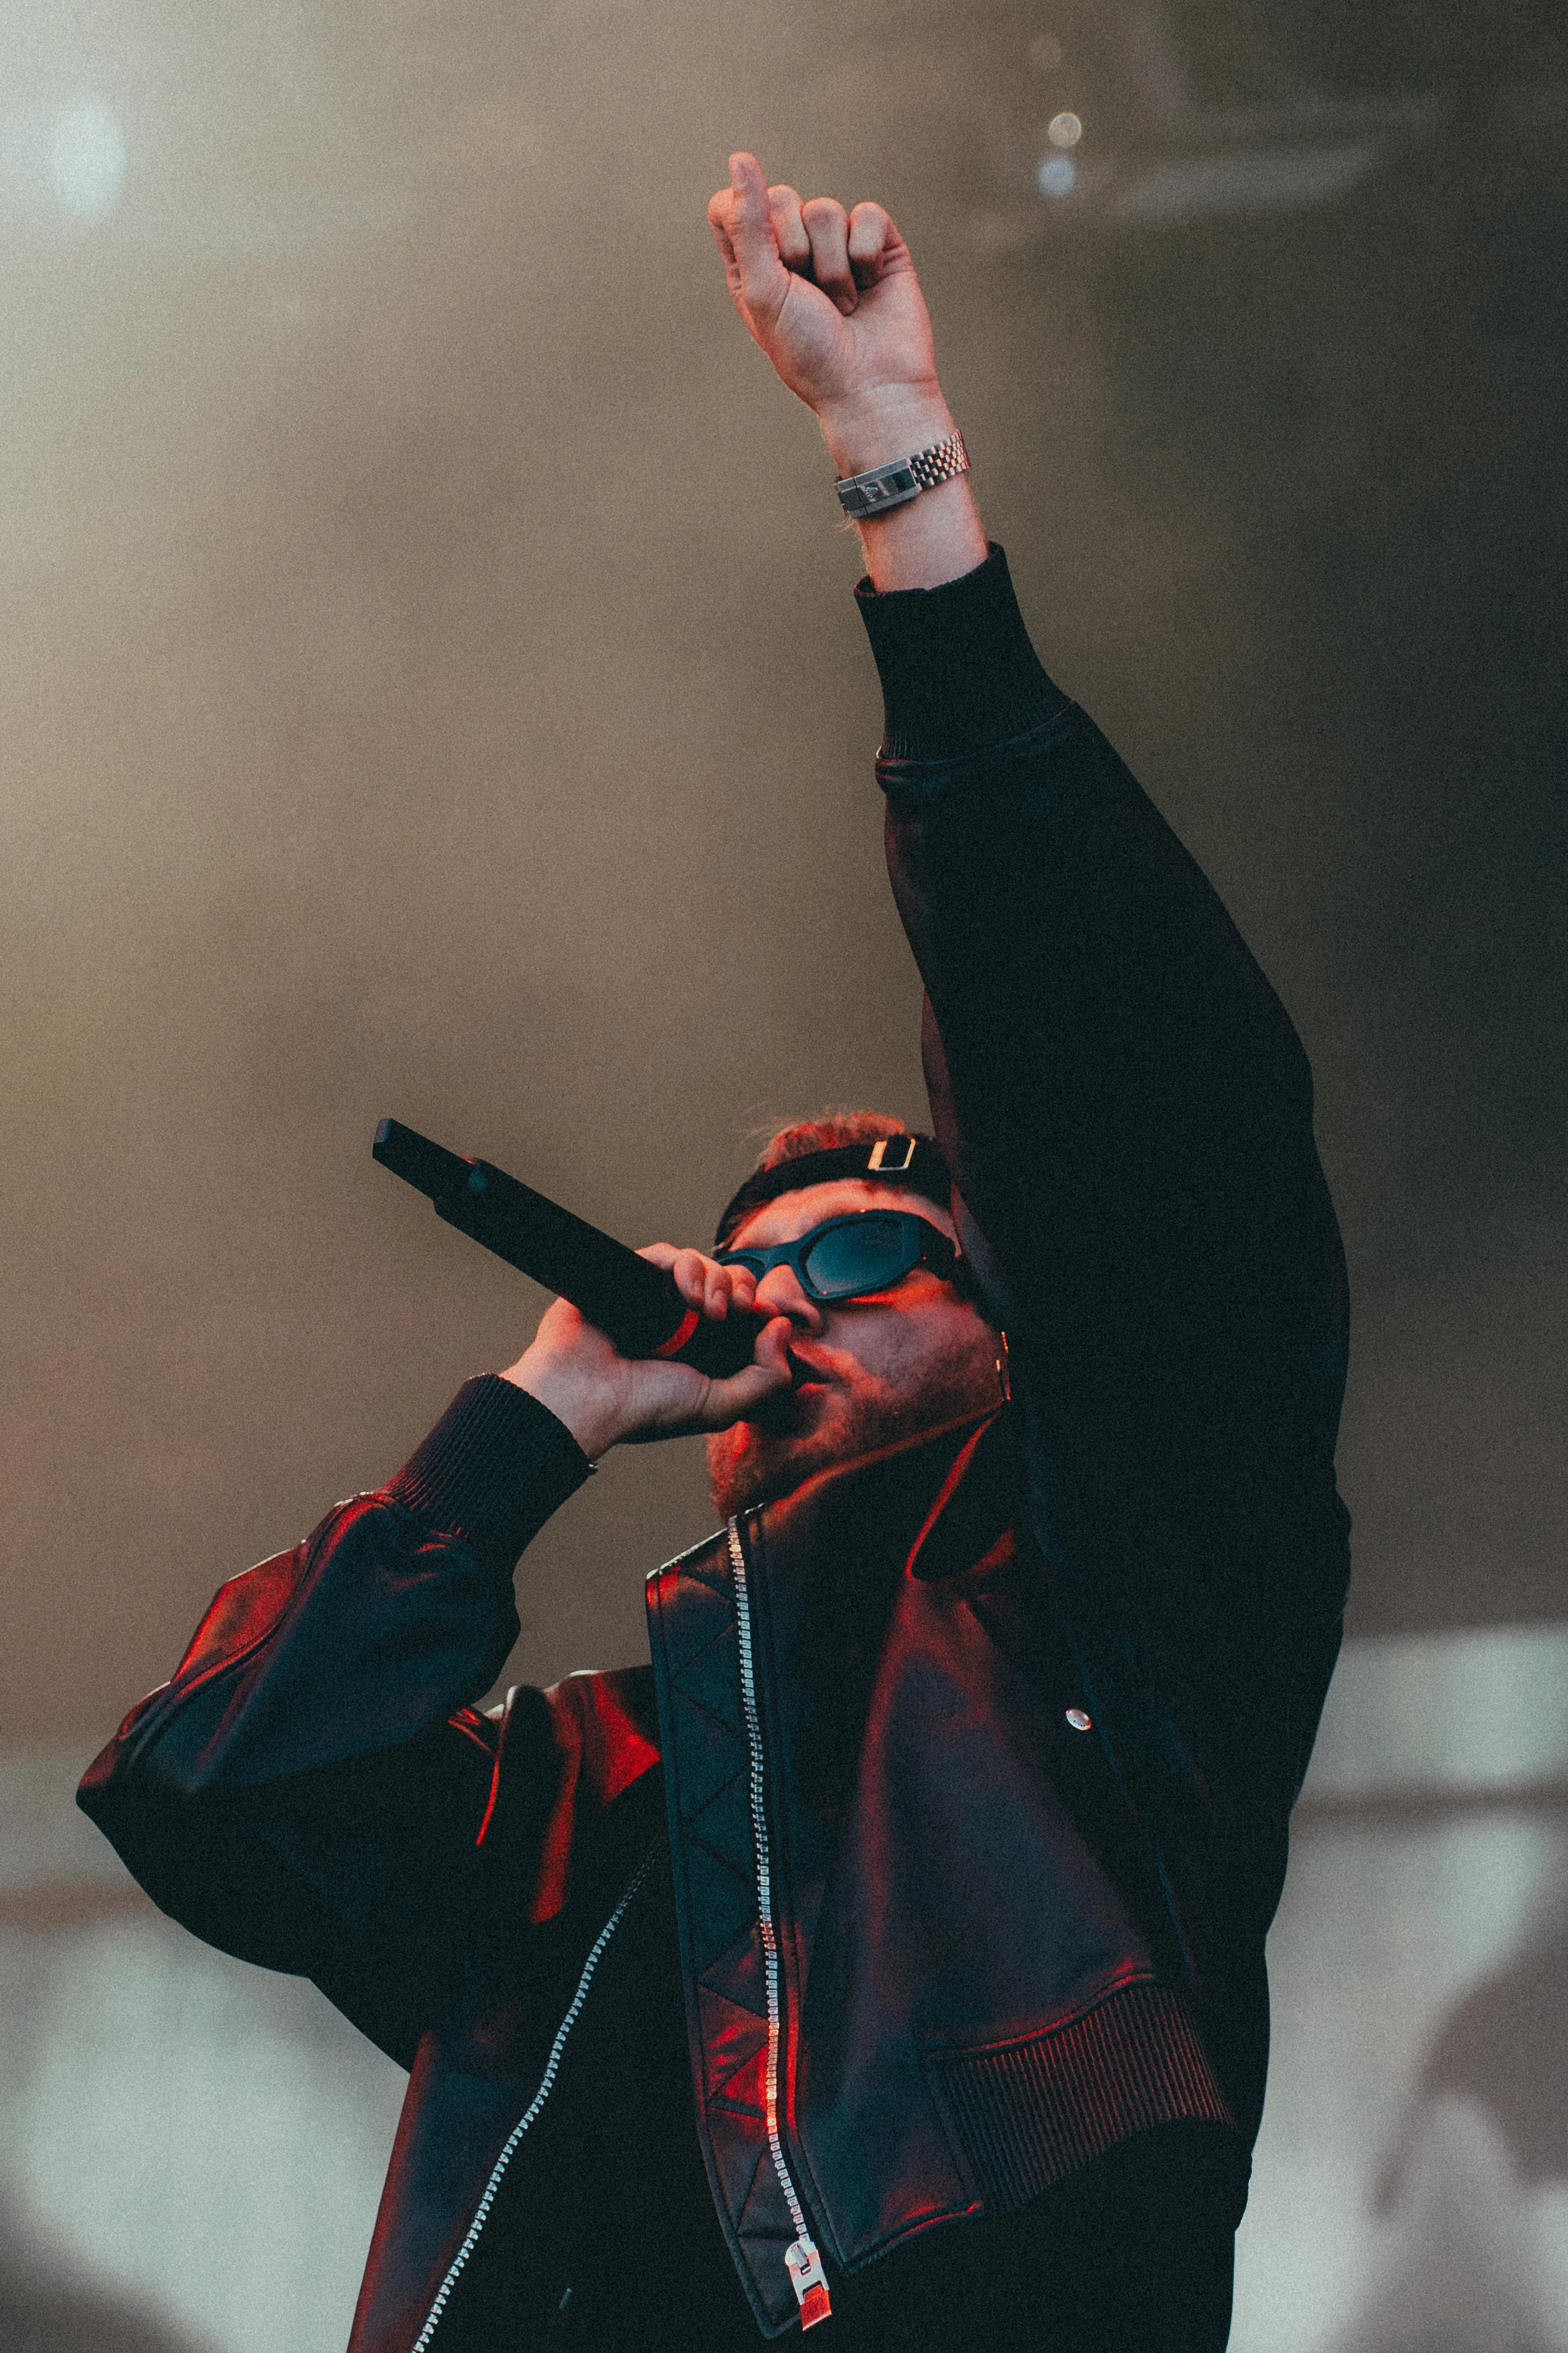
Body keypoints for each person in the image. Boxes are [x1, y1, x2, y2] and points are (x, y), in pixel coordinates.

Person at [79, 153, 1352, 2352]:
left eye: (867, 1264)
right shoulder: (589, 1793)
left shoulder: (1133, 1582)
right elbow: (214, 1791)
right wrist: (545, 1410)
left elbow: (1118, 1107)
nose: (790, 1308)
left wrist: (895, 466)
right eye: (764, 1275)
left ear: (1015, 1328)